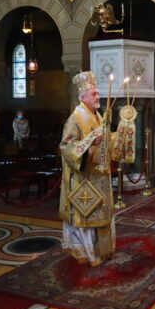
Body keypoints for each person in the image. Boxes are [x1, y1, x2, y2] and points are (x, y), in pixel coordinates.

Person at [59, 71, 115, 266]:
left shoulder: (98, 116)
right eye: (94, 94)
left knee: (101, 214)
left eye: (98, 93)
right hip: (83, 178)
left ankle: (103, 251)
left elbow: (105, 142)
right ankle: (87, 252)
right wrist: (89, 144)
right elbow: (66, 148)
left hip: (99, 175)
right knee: (87, 216)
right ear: (83, 97)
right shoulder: (75, 119)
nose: (98, 96)